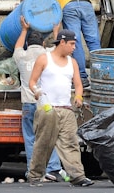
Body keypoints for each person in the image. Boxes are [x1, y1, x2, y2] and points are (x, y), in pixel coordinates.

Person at [26, 29, 94, 187]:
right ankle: (35, 176)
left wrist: (78, 97)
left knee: (71, 143)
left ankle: (78, 177)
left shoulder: (73, 63)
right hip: (48, 109)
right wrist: (36, 92)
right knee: (44, 143)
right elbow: (32, 82)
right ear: (61, 42)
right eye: (71, 44)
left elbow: (78, 85)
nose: (74, 47)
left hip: (66, 110)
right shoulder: (44, 59)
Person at [20, 0, 100, 87]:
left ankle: (82, 77)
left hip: (69, 6)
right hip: (86, 4)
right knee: (94, 41)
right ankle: (100, 76)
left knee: (75, 42)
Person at [13, 16, 67, 182]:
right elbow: (59, 47)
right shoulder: (48, 56)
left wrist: (23, 30)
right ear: (43, 43)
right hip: (46, 105)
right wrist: (57, 31)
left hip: (29, 104)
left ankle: (33, 170)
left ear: (28, 44)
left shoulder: (21, 56)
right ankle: (52, 169)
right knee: (49, 136)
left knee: (31, 138)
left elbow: (17, 47)